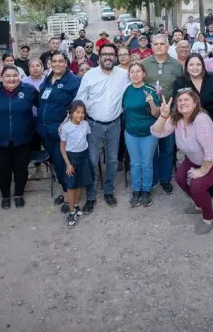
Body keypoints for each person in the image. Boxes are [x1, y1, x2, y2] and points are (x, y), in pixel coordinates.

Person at [152, 89, 213, 234]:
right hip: (195, 159)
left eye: (187, 100)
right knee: (180, 178)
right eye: (180, 100)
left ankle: (209, 218)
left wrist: (202, 171)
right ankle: (199, 204)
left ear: (195, 103)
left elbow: (211, 151)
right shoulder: (177, 119)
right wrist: (163, 117)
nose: (182, 102)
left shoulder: (201, 119)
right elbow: (157, 132)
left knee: (197, 185)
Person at [75, 43, 130, 212]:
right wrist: (73, 120)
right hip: (93, 125)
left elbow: (134, 89)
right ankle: (91, 195)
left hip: (114, 124)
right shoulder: (90, 75)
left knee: (113, 160)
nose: (108, 57)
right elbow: (80, 98)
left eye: (111, 54)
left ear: (115, 57)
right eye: (105, 54)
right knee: (91, 160)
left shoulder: (123, 75)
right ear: (99, 57)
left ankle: (108, 191)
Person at [0, 65, 39, 209]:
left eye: (14, 75)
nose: (11, 79)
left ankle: (19, 194)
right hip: (0, 140)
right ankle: (6, 195)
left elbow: (41, 106)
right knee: (3, 170)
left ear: (19, 77)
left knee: (21, 168)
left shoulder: (29, 91)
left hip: (23, 138)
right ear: (1, 78)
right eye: (7, 76)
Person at [37, 52, 81, 214]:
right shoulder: (48, 79)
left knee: (66, 164)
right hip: (45, 130)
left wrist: (66, 123)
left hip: (63, 132)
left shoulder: (74, 81)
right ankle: (65, 191)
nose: (56, 64)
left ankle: (71, 198)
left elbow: (77, 107)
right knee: (56, 163)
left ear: (66, 63)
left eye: (60, 61)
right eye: (53, 61)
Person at [141, 34, 184, 194]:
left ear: (167, 46)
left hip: (170, 114)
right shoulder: (144, 64)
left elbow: (181, 88)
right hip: (149, 113)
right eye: (156, 44)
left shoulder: (176, 65)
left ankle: (165, 179)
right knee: (151, 149)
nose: (159, 46)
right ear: (151, 46)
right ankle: (153, 178)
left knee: (167, 149)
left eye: (162, 44)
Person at [123, 62, 161, 207]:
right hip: (131, 132)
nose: (135, 74)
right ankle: (136, 189)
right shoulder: (127, 90)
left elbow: (156, 113)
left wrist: (151, 102)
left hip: (148, 133)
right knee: (135, 162)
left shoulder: (150, 90)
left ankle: (146, 190)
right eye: (132, 72)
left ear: (144, 74)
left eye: (138, 71)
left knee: (146, 163)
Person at [60, 101, 94, 227]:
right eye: (77, 112)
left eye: (82, 112)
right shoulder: (65, 127)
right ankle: (71, 211)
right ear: (71, 113)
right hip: (71, 158)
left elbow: (86, 140)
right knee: (71, 185)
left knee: (81, 182)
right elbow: (62, 147)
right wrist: (68, 164)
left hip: (83, 157)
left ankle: (76, 206)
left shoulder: (85, 124)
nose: (80, 115)